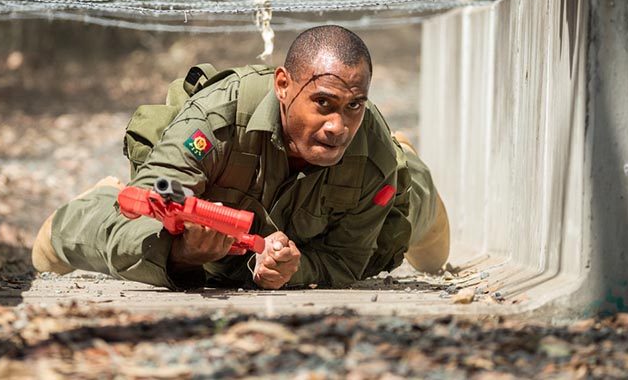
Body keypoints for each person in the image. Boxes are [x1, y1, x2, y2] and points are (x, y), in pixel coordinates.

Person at [31, 25, 449, 290]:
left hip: (370, 199)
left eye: (354, 106)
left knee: (418, 229)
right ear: (283, 85)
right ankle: (91, 205)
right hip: (214, 248)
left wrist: (293, 271)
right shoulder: (218, 116)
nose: (338, 126)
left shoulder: (371, 152)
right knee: (105, 241)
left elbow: (346, 260)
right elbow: (154, 194)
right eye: (323, 103)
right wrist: (183, 253)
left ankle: (407, 155)